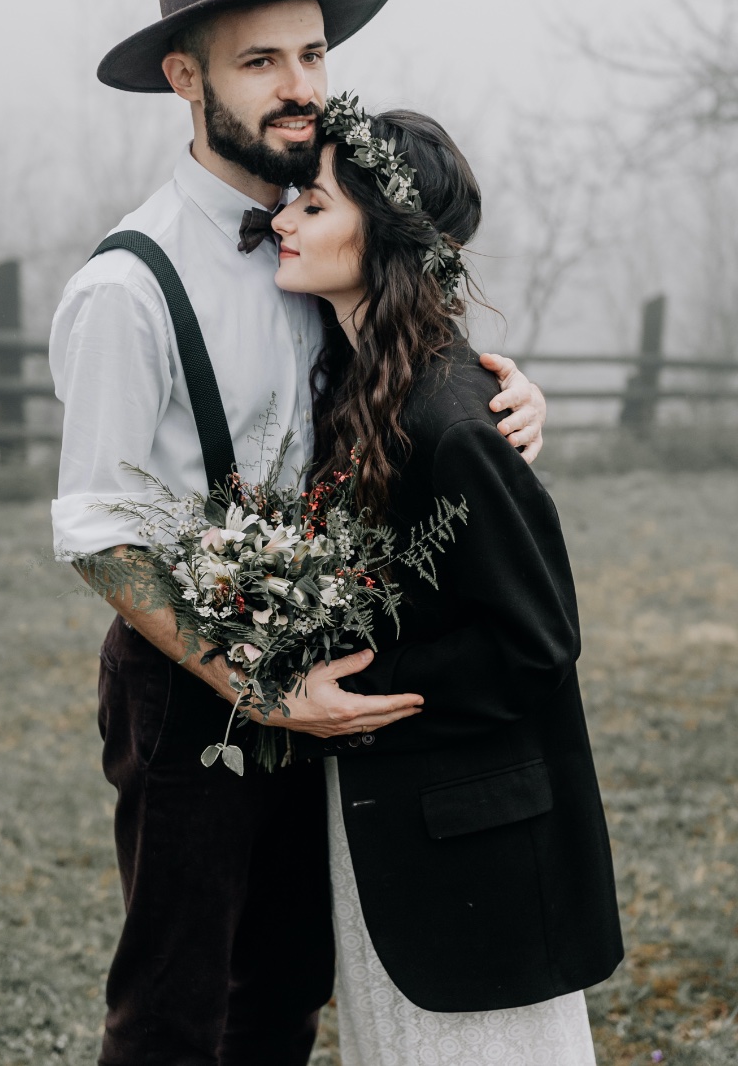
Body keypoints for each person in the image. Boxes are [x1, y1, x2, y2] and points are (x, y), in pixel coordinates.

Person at [49, 0, 548, 1066]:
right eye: (259, 60)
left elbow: (410, 362)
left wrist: (515, 392)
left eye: (313, 54)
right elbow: (98, 532)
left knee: (284, 985)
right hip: (190, 686)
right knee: (175, 1002)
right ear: (186, 78)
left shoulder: (324, 226)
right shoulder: (129, 286)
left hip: (331, 659)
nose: (299, 86)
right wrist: (257, 689)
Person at [272, 101, 623, 1065]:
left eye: (313, 202)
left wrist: (360, 688)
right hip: (390, 835)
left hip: (478, 850)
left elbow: (537, 643)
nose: (283, 219)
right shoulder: (353, 387)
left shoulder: (454, 419)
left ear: (381, 236)